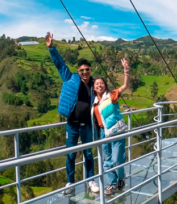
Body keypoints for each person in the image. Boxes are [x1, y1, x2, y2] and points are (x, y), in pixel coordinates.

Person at [46, 32, 94, 195]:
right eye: (82, 70)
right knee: (70, 154)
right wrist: (51, 48)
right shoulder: (70, 78)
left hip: (87, 125)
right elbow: (60, 65)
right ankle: (70, 182)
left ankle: (90, 181)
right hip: (72, 125)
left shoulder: (95, 85)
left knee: (88, 153)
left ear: (90, 70)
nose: (84, 72)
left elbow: (110, 94)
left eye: (87, 70)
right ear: (78, 71)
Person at [88, 58, 130, 195]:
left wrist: (126, 71)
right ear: (94, 88)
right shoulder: (94, 103)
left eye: (101, 83)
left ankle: (121, 176)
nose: (99, 85)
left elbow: (124, 86)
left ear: (105, 86)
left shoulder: (111, 96)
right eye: (97, 84)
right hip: (102, 133)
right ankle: (112, 184)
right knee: (107, 161)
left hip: (116, 131)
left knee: (117, 159)